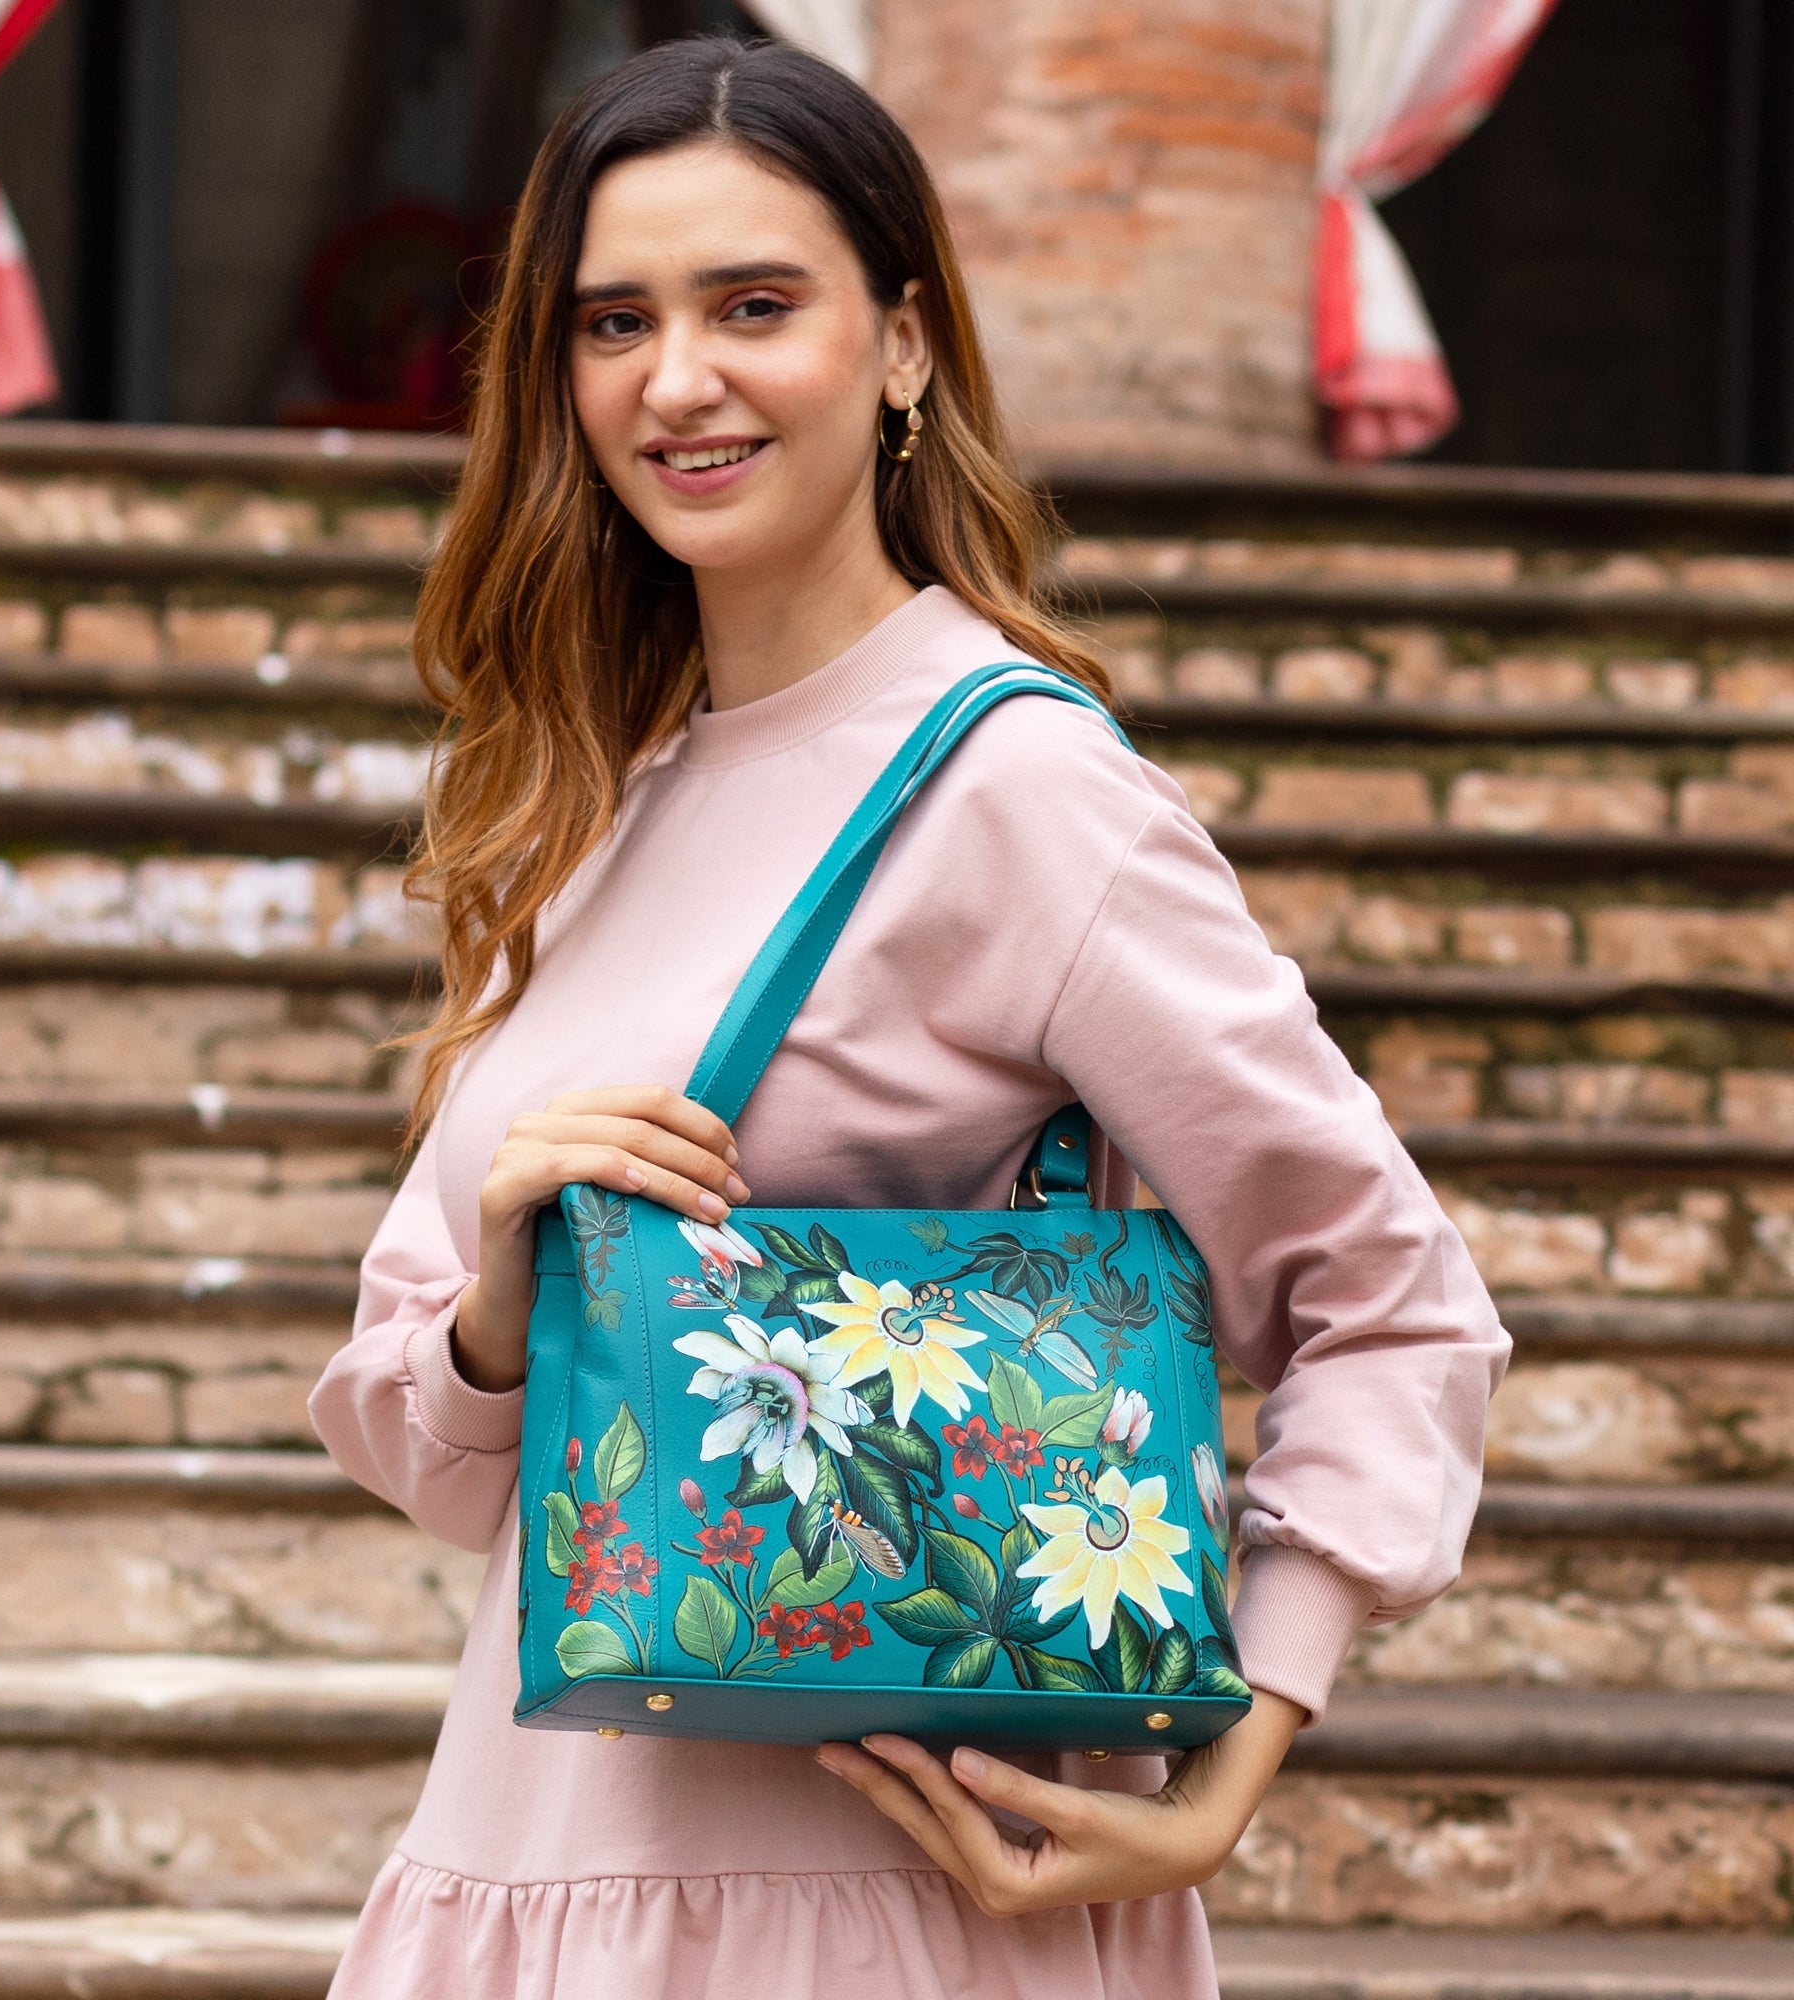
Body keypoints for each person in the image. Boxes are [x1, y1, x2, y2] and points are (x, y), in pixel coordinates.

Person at [310, 34, 1507, 2000]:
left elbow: (1387, 1295)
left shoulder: (1020, 792)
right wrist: (502, 1309)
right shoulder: (587, 796)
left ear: (903, 347)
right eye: (614, 320)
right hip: (526, 1858)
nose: (673, 379)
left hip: (872, 1912)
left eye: (752, 305)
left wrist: (1235, 1751)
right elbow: (419, 1437)